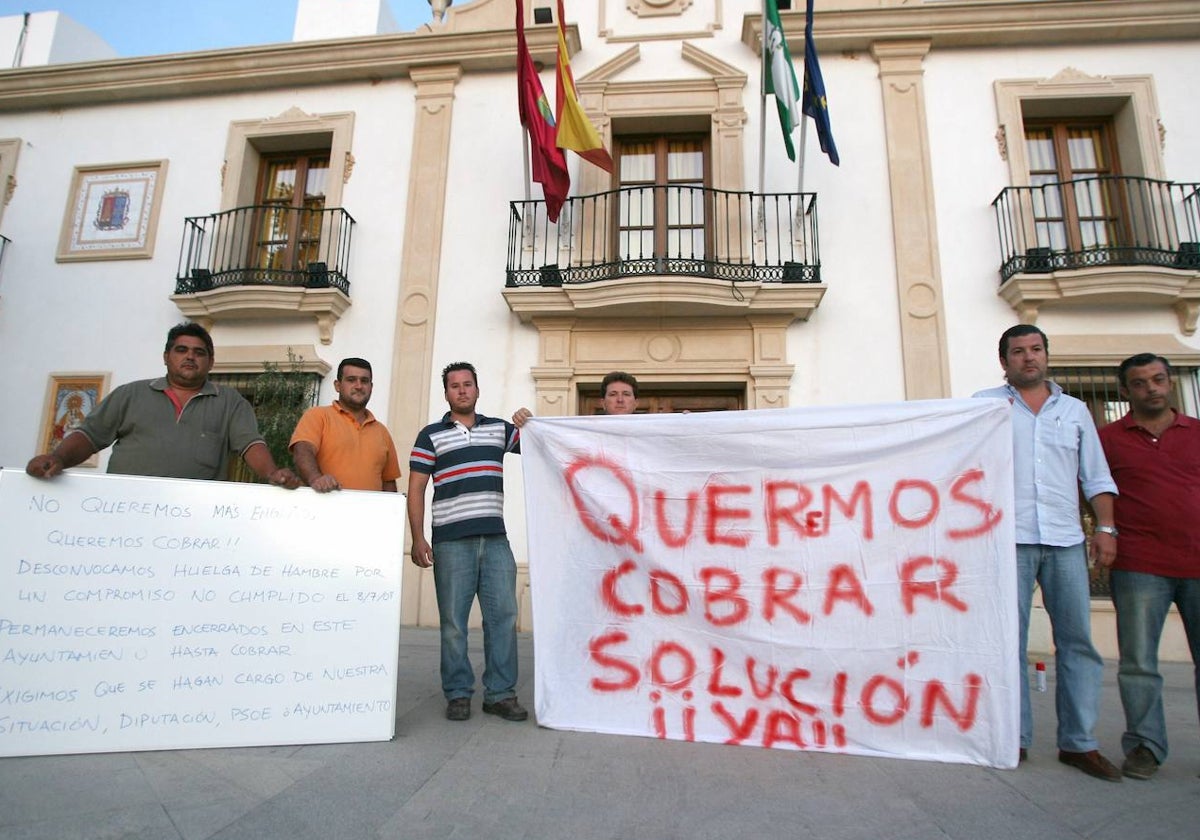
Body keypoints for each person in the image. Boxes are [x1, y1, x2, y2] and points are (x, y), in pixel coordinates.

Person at [973, 324, 1121, 780]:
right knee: (1008, 644)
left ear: (1046, 355)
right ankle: (1013, 738)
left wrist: (1106, 527)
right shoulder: (983, 407)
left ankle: (1079, 743)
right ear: (1005, 362)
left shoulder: (1075, 412)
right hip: (1007, 540)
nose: (1028, 358)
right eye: (1018, 352)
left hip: (1065, 541)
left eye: (1036, 349)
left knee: (1077, 642)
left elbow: (1095, 477)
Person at [26, 322, 299, 488]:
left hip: (193, 516)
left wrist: (272, 473)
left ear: (211, 362)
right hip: (122, 509)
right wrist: (58, 458)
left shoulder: (230, 402)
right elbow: (89, 436)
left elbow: (250, 444)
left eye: (199, 352)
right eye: (182, 350)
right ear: (166, 357)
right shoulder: (130, 394)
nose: (190, 357)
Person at [1099, 353, 1200, 780]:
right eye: (1140, 383)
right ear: (1125, 392)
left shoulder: (1197, 433)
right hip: (1139, 563)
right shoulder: (1108, 439)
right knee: (1139, 662)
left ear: (1172, 382)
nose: (1151, 389)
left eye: (1158, 379)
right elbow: (1093, 489)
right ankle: (1144, 746)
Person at [408, 361, 527, 723]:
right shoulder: (430, 435)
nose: (462, 390)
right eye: (454, 386)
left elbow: (543, 445)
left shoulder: (498, 431)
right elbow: (415, 488)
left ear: (477, 389)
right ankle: (458, 693)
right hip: (450, 542)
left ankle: (501, 694)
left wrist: (529, 422)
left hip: (495, 541)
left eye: (467, 384)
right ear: (446, 393)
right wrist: (417, 537)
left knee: (503, 618)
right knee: (454, 623)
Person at [289, 357, 400, 492]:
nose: (359, 386)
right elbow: (303, 450)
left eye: (364, 381)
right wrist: (316, 479)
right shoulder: (318, 416)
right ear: (337, 385)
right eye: (351, 380)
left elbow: (388, 483)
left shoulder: (382, 432)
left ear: (371, 387)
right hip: (325, 508)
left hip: (369, 512)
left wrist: (391, 511)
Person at [511, 370, 641, 428]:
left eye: (626, 394)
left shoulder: (657, 431)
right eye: (613, 394)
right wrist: (529, 424)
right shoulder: (582, 430)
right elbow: (548, 444)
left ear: (636, 403)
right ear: (603, 403)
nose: (620, 399)